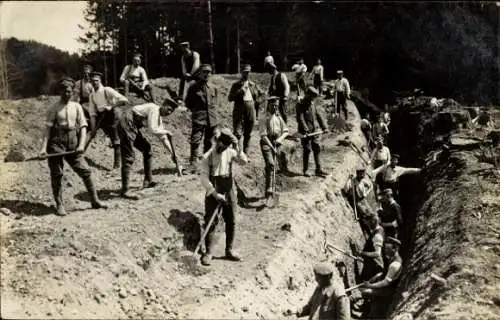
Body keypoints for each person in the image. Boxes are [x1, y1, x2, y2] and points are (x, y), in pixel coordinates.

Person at [38, 78, 107, 216]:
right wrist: (43, 149)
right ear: (60, 92)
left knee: (85, 171)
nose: (68, 94)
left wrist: (81, 144)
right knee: (57, 174)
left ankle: (95, 200)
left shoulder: (77, 106)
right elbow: (47, 130)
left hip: (73, 142)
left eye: (70, 91)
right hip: (56, 142)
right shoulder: (54, 108)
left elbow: (83, 126)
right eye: (65, 91)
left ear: (72, 91)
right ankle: (59, 205)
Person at [199, 128, 248, 266]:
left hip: (229, 188)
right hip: (213, 189)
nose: (224, 148)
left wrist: (238, 149)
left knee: (231, 219)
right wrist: (215, 193)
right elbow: (203, 178)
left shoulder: (230, 152)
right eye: (222, 144)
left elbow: (244, 161)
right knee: (211, 220)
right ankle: (208, 252)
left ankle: (229, 250)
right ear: (217, 141)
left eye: (227, 145)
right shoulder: (207, 157)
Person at [117, 102, 175, 200]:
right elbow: (152, 130)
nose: (169, 112)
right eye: (168, 109)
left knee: (147, 148)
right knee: (129, 156)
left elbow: (163, 137)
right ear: (163, 105)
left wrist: (172, 153)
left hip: (132, 125)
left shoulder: (158, 118)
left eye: (171, 111)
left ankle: (148, 180)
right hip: (127, 122)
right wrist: (166, 131)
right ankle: (125, 190)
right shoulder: (154, 109)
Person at [88, 71, 129, 170]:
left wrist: (111, 106)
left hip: (113, 115)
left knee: (115, 139)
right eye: (92, 81)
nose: (94, 83)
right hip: (101, 116)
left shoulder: (107, 90)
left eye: (96, 81)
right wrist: (93, 129)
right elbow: (92, 113)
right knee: (90, 131)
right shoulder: (92, 95)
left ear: (100, 81)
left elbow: (124, 100)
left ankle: (117, 165)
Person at [185, 64, 220, 172]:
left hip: (211, 118)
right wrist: (196, 111)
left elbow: (215, 103)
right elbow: (188, 103)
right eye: (204, 72)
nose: (206, 74)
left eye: (209, 72)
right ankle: (193, 164)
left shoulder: (213, 88)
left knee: (209, 141)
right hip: (199, 118)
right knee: (195, 141)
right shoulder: (193, 87)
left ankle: (207, 163)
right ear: (200, 73)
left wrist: (215, 118)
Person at [286, 262, 351, 320]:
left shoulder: (340, 296)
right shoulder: (319, 288)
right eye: (316, 276)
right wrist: (296, 311)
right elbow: (311, 306)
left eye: (320, 277)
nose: (316, 279)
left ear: (329, 276)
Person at [359, 237, 402, 317]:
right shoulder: (392, 258)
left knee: (365, 292)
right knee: (367, 291)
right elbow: (386, 273)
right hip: (386, 287)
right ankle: (367, 309)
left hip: (389, 290)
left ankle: (371, 312)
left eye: (387, 248)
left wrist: (370, 286)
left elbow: (385, 283)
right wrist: (378, 275)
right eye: (385, 248)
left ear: (395, 249)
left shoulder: (395, 264)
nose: (385, 250)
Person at [260, 96, 289, 202]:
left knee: (273, 166)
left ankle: (271, 189)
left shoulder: (278, 117)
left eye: (277, 105)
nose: (276, 108)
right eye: (274, 105)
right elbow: (263, 135)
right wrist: (272, 147)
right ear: (269, 105)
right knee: (270, 163)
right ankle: (269, 189)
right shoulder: (264, 117)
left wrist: (280, 140)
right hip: (266, 143)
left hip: (277, 142)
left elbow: (286, 131)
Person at [228, 64, 262, 154]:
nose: (247, 73)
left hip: (250, 107)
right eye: (245, 72)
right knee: (237, 132)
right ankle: (237, 153)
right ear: (241, 72)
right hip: (239, 108)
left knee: (248, 131)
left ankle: (245, 153)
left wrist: (257, 107)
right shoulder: (236, 85)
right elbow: (230, 98)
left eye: (248, 72)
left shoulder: (253, 85)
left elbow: (259, 97)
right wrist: (240, 91)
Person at [297, 86, 329, 177]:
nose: (312, 99)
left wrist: (324, 127)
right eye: (311, 97)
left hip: (315, 130)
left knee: (317, 148)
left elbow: (318, 116)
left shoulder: (312, 104)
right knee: (307, 150)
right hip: (305, 132)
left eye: (313, 98)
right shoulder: (300, 104)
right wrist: (306, 129)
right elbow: (301, 118)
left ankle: (318, 169)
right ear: (307, 95)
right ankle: (305, 170)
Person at [356, 214, 385, 283]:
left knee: (363, 284)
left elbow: (377, 253)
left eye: (367, 223)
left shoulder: (377, 236)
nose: (366, 225)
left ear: (372, 222)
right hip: (371, 264)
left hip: (374, 267)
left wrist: (363, 253)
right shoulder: (379, 229)